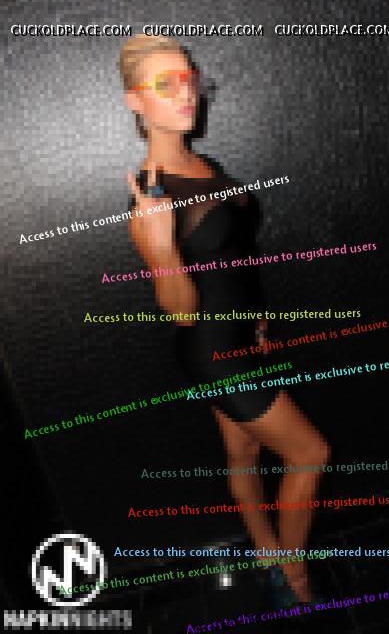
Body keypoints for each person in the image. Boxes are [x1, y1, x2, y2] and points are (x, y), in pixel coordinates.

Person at [119, 34, 330, 603]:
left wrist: (256, 323)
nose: (186, 94)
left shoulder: (201, 164)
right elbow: (182, 310)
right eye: (165, 84)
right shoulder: (153, 198)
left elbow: (233, 258)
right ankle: (295, 580)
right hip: (212, 350)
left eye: (189, 80)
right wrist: (161, 248)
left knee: (243, 453)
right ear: (135, 101)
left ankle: (265, 551)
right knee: (310, 453)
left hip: (239, 336)